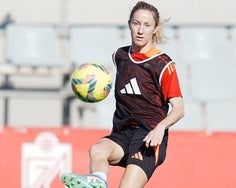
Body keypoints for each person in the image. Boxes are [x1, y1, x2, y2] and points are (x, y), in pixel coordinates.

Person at [61, 1, 184, 188]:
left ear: (155, 28)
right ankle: (99, 181)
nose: (140, 30)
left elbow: (179, 109)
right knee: (98, 150)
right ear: (129, 24)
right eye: (136, 23)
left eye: (147, 25)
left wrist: (161, 128)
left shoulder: (163, 64)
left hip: (148, 138)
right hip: (122, 133)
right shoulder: (119, 56)